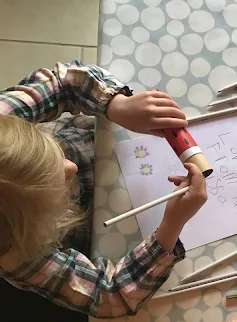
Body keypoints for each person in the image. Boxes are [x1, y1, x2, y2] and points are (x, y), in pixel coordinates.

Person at [0, 61, 208, 320]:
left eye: (51, 150)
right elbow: (110, 296)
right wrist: (171, 226)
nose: (71, 167)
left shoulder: (3, 122)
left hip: (105, 145)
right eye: (58, 181)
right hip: (93, 224)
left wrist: (116, 105)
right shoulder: (17, 255)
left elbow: (63, 80)